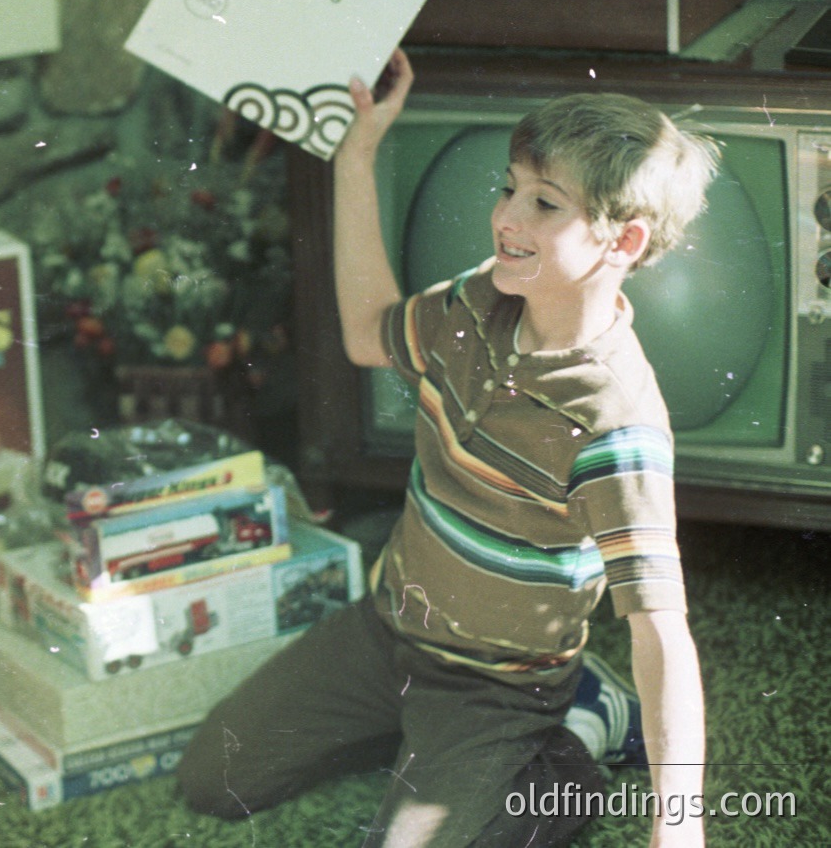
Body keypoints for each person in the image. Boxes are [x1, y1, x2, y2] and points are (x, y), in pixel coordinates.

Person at [176, 49, 717, 847]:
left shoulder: (615, 423)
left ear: (623, 242)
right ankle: (430, 754)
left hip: (497, 688)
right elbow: (367, 332)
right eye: (509, 189)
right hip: (387, 633)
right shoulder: (478, 300)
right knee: (212, 781)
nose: (506, 217)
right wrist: (357, 154)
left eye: (544, 204)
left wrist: (681, 827)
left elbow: (660, 629)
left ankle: (569, 744)